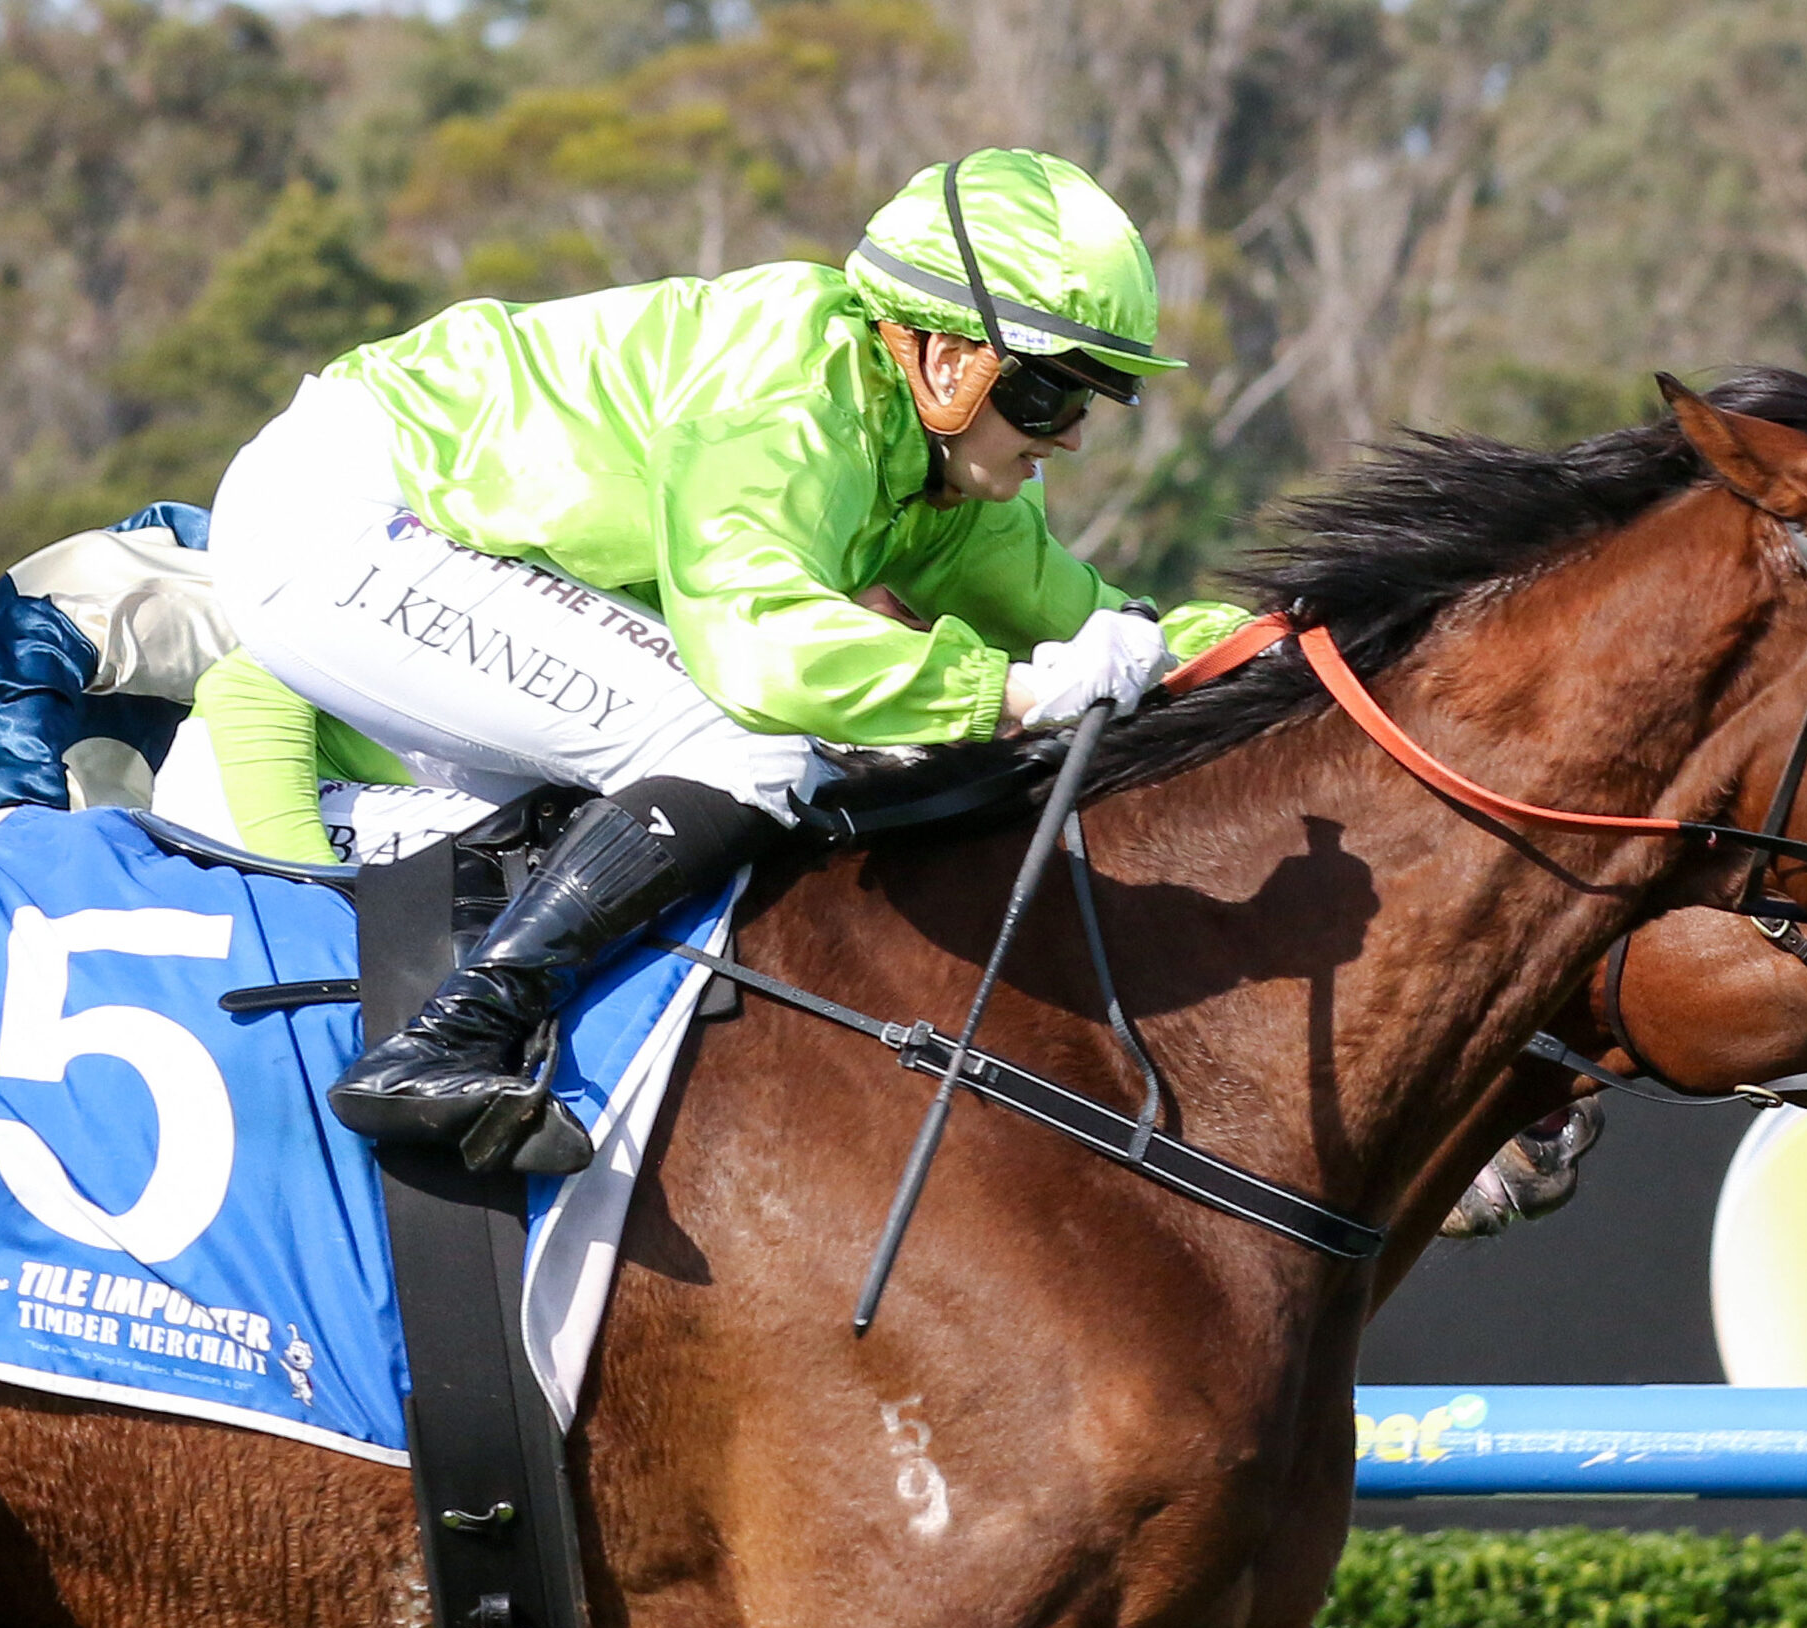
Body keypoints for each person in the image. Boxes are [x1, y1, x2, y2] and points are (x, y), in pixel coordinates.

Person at [201, 147, 1244, 1158]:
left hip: (423, 530)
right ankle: (450, 1041)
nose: (1070, 437)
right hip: (342, 514)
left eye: (1094, 401)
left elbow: (1095, 618)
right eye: (1048, 396)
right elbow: (760, 653)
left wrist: (1280, 640)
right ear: (944, 357)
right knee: (743, 744)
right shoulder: (790, 390)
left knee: (753, 765)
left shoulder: (942, 481)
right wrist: (1009, 693)